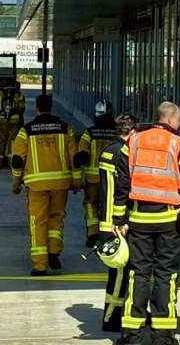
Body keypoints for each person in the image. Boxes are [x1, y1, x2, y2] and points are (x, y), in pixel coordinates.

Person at [114, 101, 180, 345]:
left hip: (139, 220)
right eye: (179, 121)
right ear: (170, 119)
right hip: (167, 221)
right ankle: (162, 334)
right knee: (166, 275)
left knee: (138, 274)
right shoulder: (179, 144)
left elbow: (121, 183)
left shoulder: (133, 141)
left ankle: (132, 334)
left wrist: (119, 218)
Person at [11, 94, 82, 275]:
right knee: (56, 217)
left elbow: (17, 159)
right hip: (60, 183)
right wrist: (76, 181)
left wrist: (16, 181)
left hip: (36, 185)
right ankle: (54, 254)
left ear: (36, 108)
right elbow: (75, 158)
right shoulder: (66, 128)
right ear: (52, 108)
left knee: (38, 222)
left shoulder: (26, 131)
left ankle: (40, 265)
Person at [97, 112, 139, 333]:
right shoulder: (123, 152)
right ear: (132, 131)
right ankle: (112, 318)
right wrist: (121, 221)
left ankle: (111, 314)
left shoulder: (107, 150)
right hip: (117, 224)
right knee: (121, 275)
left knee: (116, 274)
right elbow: (121, 191)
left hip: (106, 222)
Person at [76, 100, 117, 248]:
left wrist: (77, 179)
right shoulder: (117, 133)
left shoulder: (89, 133)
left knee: (90, 204)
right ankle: (109, 234)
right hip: (112, 178)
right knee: (110, 206)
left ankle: (93, 233)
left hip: (92, 178)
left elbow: (82, 155)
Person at [0, 84, 23, 168]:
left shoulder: (0, 93)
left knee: (1, 140)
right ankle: (10, 162)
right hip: (14, 119)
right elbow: (22, 108)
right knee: (12, 141)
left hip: (1, 119)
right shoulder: (18, 94)